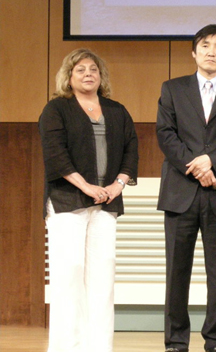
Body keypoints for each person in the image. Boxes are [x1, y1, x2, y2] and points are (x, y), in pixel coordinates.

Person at [156, 24, 216, 352]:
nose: (211, 52)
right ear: (194, 52)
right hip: (180, 191)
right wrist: (196, 166)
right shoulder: (172, 89)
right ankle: (175, 340)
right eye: (205, 45)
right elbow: (165, 133)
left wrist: (212, 161)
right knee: (176, 271)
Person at [39, 48, 139, 352]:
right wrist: (86, 186)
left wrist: (118, 185)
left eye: (93, 69)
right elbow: (55, 154)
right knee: (68, 273)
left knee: (102, 276)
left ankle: (99, 347)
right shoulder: (56, 109)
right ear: (68, 77)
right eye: (80, 69)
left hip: (106, 202)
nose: (88, 74)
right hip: (67, 200)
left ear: (101, 75)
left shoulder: (117, 110)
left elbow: (131, 150)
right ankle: (66, 347)